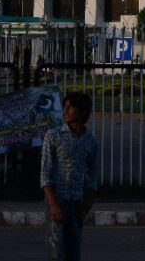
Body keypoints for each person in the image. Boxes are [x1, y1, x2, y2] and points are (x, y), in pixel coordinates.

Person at [40, 91, 99, 261]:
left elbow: (93, 172)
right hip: (57, 201)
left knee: (74, 250)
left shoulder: (90, 140)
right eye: (65, 107)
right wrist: (52, 204)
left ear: (83, 113)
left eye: (71, 108)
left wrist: (89, 198)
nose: (65, 111)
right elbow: (45, 172)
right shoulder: (54, 135)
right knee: (56, 252)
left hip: (77, 203)